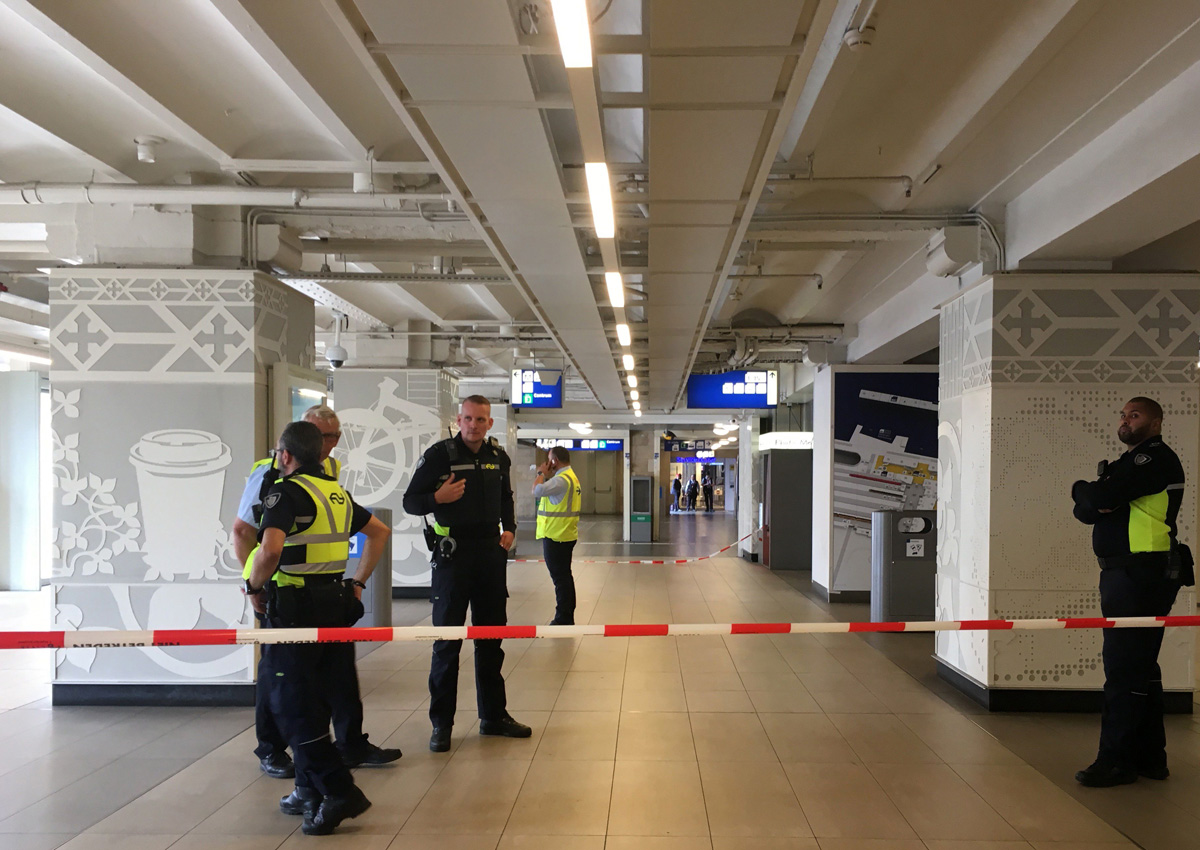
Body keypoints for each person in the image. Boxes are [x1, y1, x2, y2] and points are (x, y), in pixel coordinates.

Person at [233, 405, 400, 777]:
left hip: (328, 592)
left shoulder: (330, 475)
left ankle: (349, 744)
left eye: (333, 436)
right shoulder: (268, 475)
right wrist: (254, 585)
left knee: (338, 674)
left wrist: (356, 582)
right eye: (320, 436)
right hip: (283, 591)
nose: (327, 444)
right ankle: (273, 750)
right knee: (280, 677)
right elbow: (243, 532)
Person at [1071, 397, 1191, 787]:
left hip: (1141, 572)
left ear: (1155, 423)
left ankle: (1116, 761)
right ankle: (1149, 757)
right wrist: (1091, 497)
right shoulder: (1128, 463)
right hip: (1127, 572)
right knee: (1140, 665)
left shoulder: (1152, 460)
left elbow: (1099, 500)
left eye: (1134, 415)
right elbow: (1086, 510)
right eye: (1123, 415)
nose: (1126, 420)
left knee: (1124, 667)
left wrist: (1084, 489)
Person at [402, 395, 530, 753]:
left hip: (490, 554)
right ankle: (441, 725)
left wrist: (510, 527)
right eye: (469, 419)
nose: (474, 425)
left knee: (491, 639)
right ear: (459, 420)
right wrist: (437, 499)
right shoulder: (439, 456)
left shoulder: (498, 457)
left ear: (490, 423)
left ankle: (493, 717)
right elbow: (410, 501)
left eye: (481, 419)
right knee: (447, 643)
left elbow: (505, 497)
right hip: (453, 558)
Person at [533, 446, 582, 625]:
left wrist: (540, 473)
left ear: (554, 461)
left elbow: (536, 491)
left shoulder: (561, 480)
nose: (547, 463)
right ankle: (566, 615)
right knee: (564, 577)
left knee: (561, 579)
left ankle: (564, 618)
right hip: (564, 534)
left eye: (549, 460)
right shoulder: (570, 477)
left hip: (556, 535)